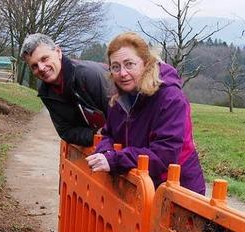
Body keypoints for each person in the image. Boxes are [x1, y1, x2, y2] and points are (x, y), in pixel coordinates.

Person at [85, 32, 206, 195]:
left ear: (146, 63)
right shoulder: (119, 100)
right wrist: (106, 153)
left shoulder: (170, 98)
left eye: (129, 64)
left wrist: (115, 160)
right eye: (115, 67)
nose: (122, 73)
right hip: (144, 189)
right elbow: (108, 134)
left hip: (177, 190)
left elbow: (165, 154)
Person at [20, 33, 111, 147]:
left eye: (44, 59)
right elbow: (66, 131)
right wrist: (94, 136)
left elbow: (121, 115)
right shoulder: (46, 93)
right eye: (34, 66)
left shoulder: (88, 75)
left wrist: (107, 134)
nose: (41, 68)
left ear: (58, 52)